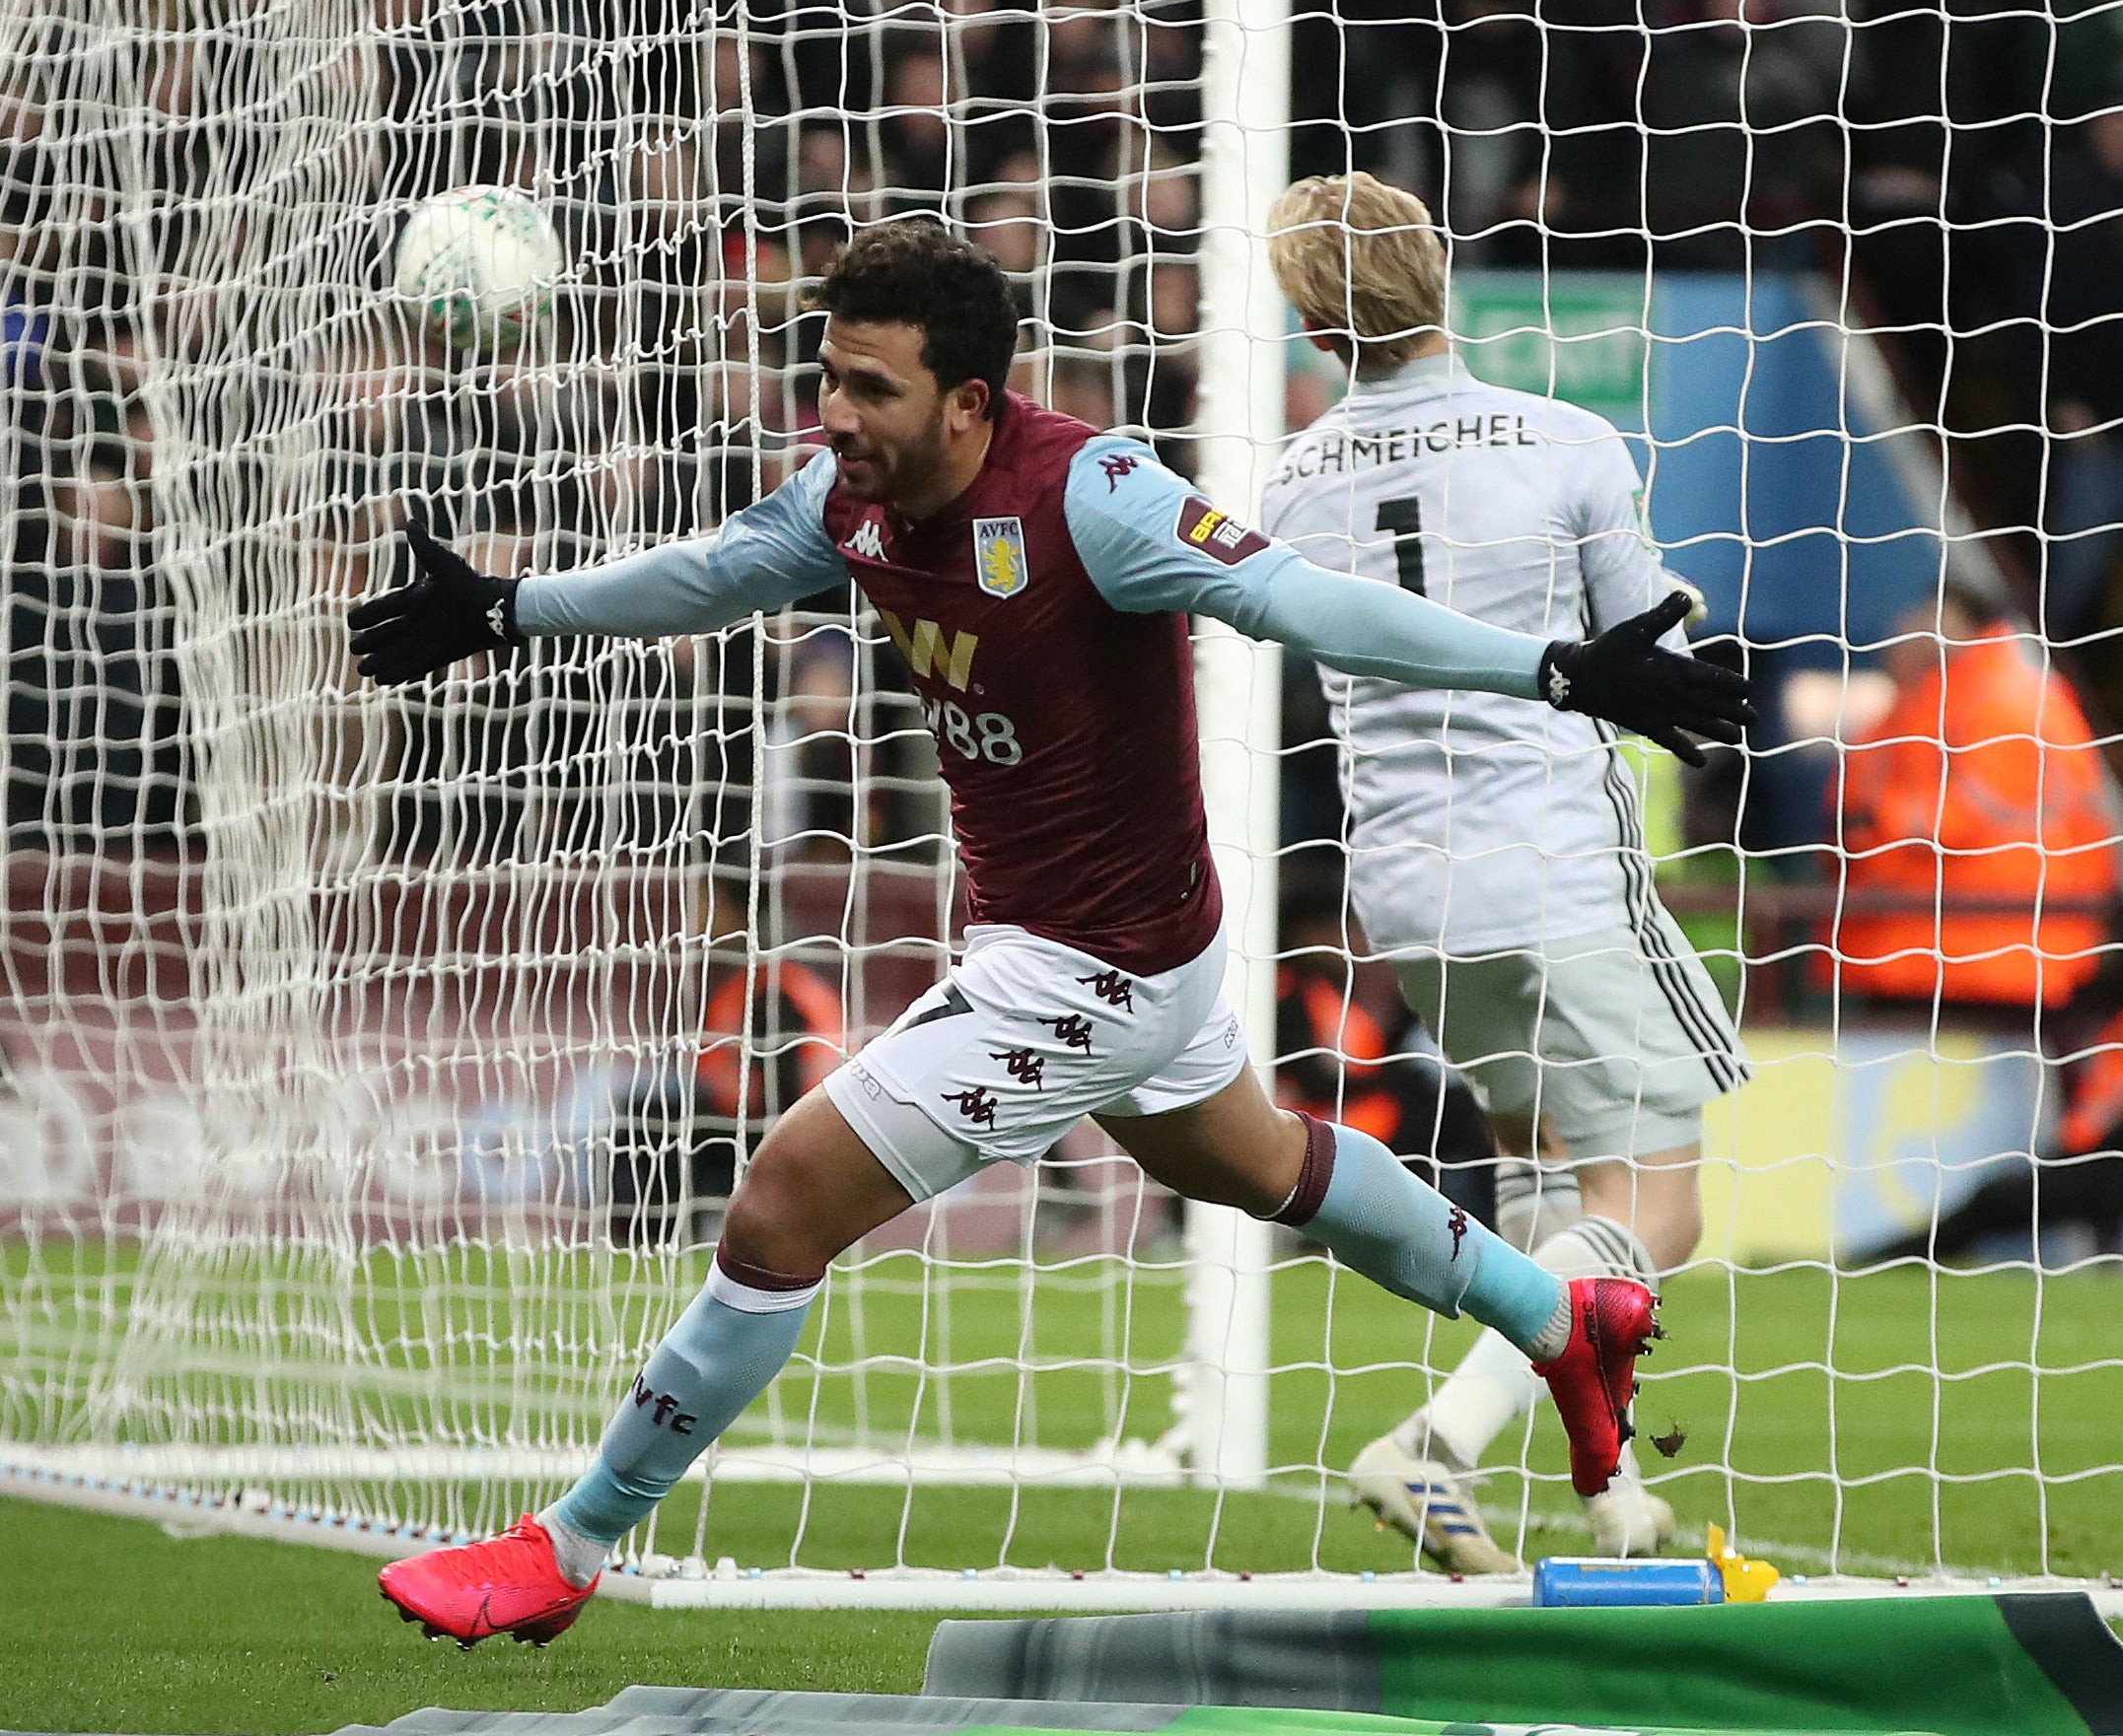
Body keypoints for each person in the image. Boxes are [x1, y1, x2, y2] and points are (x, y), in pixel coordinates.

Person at [350, 221, 1752, 1643]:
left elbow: (1293, 598)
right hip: (1097, 933)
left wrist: (1553, 666)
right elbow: (709, 577)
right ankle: (1556, 1317)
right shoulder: (845, 497)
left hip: (1100, 960)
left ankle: (571, 1546)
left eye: (872, 390)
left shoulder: (1094, 495)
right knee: (1260, 1159)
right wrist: (505, 610)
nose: (837, 416)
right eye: (828, 378)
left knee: (779, 1202)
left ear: (968, 402)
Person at [1259, 173, 1748, 1571]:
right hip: (1553, 867)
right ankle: (1435, 1447)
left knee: (1549, 1197)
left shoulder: (1287, 481)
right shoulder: (1560, 437)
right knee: (1657, 1201)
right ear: (1441, 269)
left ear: (1308, 315)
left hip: (1407, 890)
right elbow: (1636, 649)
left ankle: (1610, 1495)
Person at [1869, 898, 2123, 1268]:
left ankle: (1894, 1260)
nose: (2101, 951)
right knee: (2010, 1197)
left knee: (2001, 1199)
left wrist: (2082, 1160)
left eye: (2112, 939)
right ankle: (1899, 1257)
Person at [1827, 565, 2123, 1015]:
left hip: (1979, 952)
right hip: (1946, 949)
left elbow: (1955, 815)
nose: (1908, 626)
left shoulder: (2002, 699)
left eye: (1927, 612)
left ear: (1954, 620)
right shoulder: (1943, 695)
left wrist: (1871, 826)